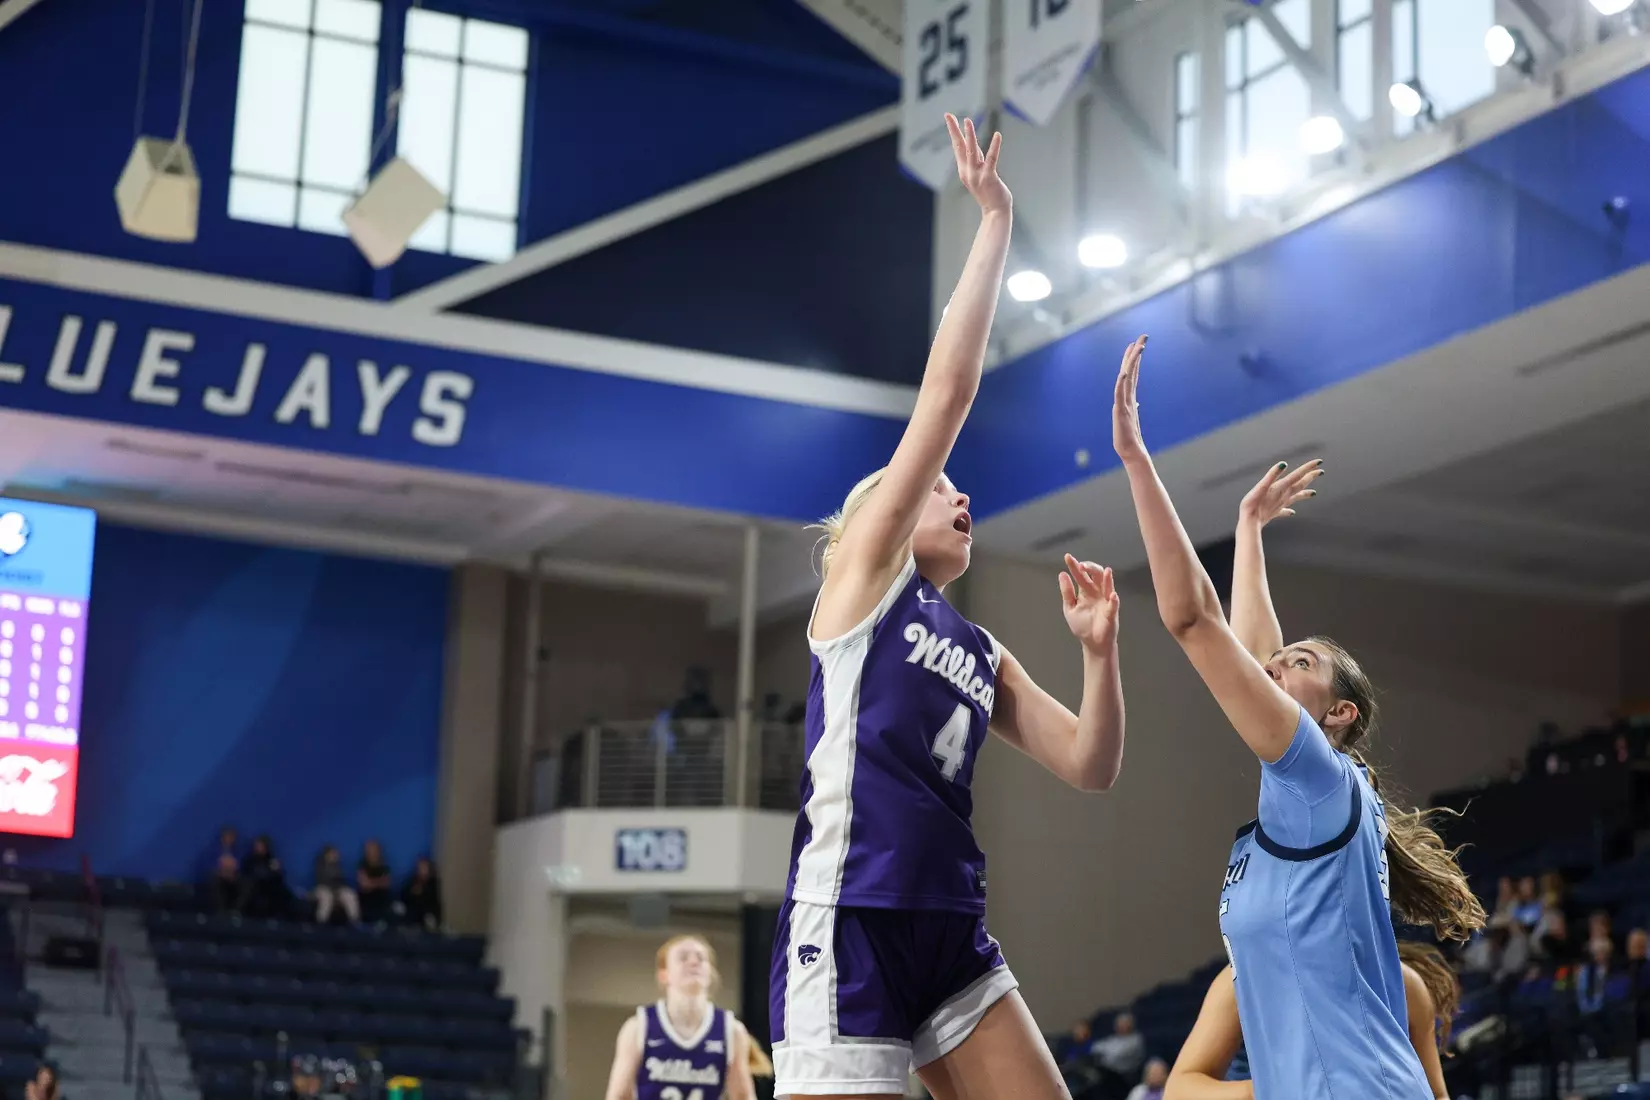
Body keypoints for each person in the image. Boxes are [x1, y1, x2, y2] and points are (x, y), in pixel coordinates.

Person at [769, 115, 1127, 1100]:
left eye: (963, 488)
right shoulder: (864, 584)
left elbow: (1089, 765)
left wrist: (1099, 653)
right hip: (851, 914)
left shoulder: (979, 644)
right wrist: (995, 221)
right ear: (877, 515)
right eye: (939, 485)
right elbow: (950, 388)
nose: (961, 494)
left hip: (949, 923)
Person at [1110, 336, 1484, 1099]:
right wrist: (1248, 530)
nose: (1276, 667)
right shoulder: (1307, 796)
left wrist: (1138, 463)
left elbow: (1191, 621)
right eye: (1279, 663)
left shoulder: (1318, 778)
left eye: (1301, 664)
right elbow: (1253, 654)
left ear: (1339, 713)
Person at [1165, 943, 1461, 1100]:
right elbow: (1180, 1089)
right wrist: (1265, 1091)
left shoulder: (1404, 985)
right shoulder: (1246, 977)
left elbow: (1436, 1093)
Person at [603, 934, 758, 1100]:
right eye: (683, 958)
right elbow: (618, 1096)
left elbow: (743, 1096)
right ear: (664, 974)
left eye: (701, 958)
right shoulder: (638, 1027)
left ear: (710, 973)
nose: (693, 962)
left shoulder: (732, 1030)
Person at [312, 845, 360, 925]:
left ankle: (355, 922)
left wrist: (337, 891)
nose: (336, 855)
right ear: (326, 855)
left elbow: (341, 881)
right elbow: (322, 880)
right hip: (322, 889)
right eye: (333, 853)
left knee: (350, 895)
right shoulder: (320, 865)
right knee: (326, 897)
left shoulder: (337, 866)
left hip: (337, 890)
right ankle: (321, 922)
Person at [400, 856, 443, 930]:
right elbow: (404, 895)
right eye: (420, 868)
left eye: (424, 868)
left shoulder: (433, 883)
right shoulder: (412, 881)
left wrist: (422, 892)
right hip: (413, 915)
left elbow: (433, 900)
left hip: (428, 913)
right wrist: (412, 892)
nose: (422, 871)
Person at [357, 839, 393, 924]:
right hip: (366, 898)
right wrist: (379, 882)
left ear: (378, 851)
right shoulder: (361, 865)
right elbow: (364, 885)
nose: (371, 853)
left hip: (382, 898)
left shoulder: (384, 866)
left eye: (373, 850)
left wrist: (371, 883)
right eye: (369, 850)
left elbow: (387, 883)